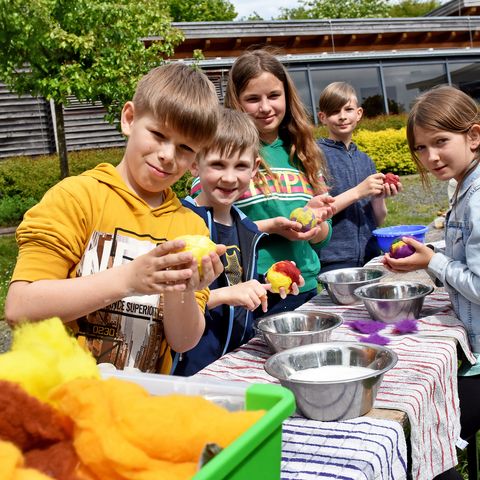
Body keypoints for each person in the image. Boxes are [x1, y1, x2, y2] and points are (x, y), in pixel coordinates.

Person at [4, 63, 226, 375]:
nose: (167, 154)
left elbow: (183, 341)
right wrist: (127, 280)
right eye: (158, 134)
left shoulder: (190, 227)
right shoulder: (76, 198)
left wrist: (183, 289)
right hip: (58, 399)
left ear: (195, 161)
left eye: (185, 148)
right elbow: (19, 307)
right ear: (129, 119)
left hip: (137, 404)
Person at [383, 85, 480, 480]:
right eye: (420, 148)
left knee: (423, 433)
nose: (430, 157)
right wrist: (432, 249)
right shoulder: (464, 185)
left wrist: (434, 261)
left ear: (474, 136)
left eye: (440, 142)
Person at [192, 48, 335, 316]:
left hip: (303, 285)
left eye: (273, 96)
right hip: (252, 291)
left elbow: (323, 238)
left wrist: (317, 227)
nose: (266, 107)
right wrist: (272, 227)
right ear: (236, 101)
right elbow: (206, 229)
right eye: (253, 99)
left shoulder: (303, 151)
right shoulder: (223, 156)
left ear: (287, 96)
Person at [172, 108, 271, 376]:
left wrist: (267, 286)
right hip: (189, 371)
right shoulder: (181, 222)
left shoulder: (247, 229)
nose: (229, 177)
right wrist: (224, 295)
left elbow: (237, 284)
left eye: (240, 166)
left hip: (235, 366)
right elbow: (164, 301)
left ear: (255, 169)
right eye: (218, 164)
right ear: (195, 164)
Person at [317, 81, 402, 272]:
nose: (342, 116)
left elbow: (378, 219)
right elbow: (317, 213)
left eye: (348, 109)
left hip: (370, 252)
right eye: (334, 111)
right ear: (322, 117)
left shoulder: (366, 160)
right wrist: (358, 192)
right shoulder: (315, 155)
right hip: (334, 258)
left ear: (359, 113)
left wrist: (379, 197)